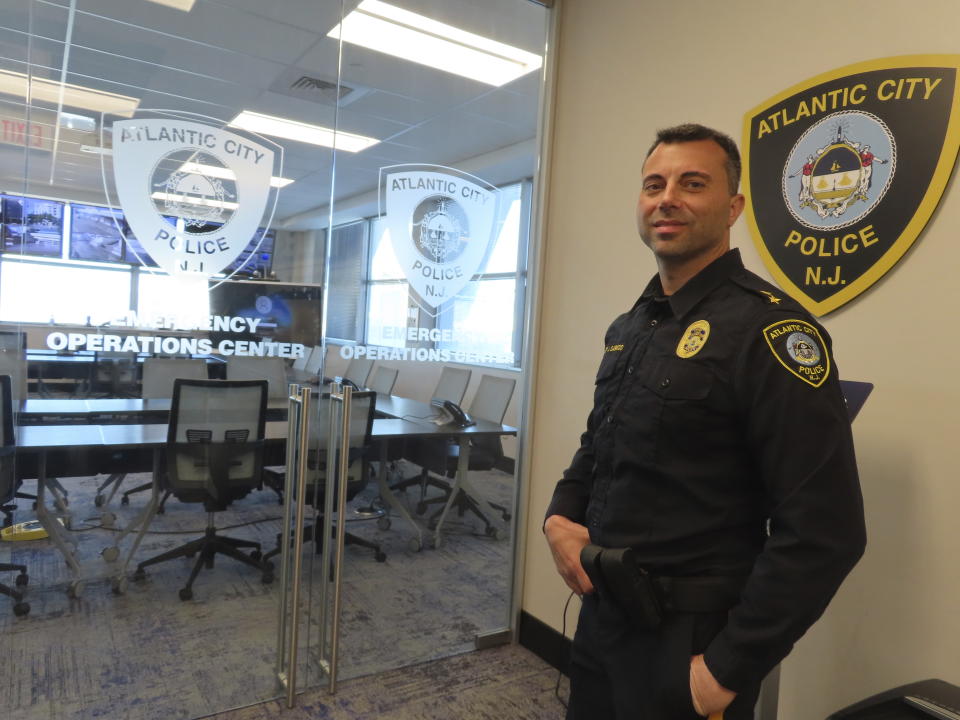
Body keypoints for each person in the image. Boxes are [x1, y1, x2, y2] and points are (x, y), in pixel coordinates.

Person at [544, 123, 866, 719]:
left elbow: (827, 532)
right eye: (653, 184)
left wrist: (726, 670)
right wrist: (559, 516)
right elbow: (600, 444)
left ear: (734, 207)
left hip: (691, 642)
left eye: (692, 183)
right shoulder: (632, 325)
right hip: (603, 619)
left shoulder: (771, 333)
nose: (667, 198)